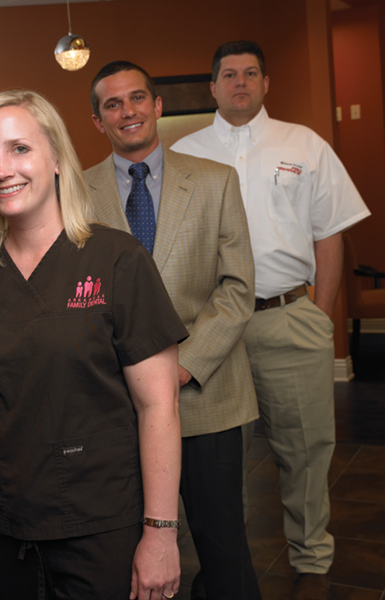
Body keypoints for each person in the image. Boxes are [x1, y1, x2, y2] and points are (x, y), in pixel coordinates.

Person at [0, 89, 188, 600]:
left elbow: (158, 405)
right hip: (4, 524)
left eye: (20, 149)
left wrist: (161, 533)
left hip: (103, 523)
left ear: (56, 157)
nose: (2, 169)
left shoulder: (118, 261)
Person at [171, 41, 370, 599]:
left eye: (250, 73)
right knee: (213, 462)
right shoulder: (185, 153)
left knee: (304, 451)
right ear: (211, 87)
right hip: (211, 331)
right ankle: (224, 572)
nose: (240, 82)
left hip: (287, 318)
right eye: (228, 75)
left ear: (265, 83)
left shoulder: (303, 144)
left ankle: (312, 560)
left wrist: (318, 316)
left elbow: (330, 231)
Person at [85, 60, 261, 600]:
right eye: (112, 104)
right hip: (118, 404)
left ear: (157, 107)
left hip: (208, 395)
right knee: (132, 549)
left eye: (137, 98)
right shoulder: (73, 193)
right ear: (98, 121)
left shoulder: (215, 181)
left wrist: (181, 366)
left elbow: (236, 289)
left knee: (222, 544)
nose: (127, 111)